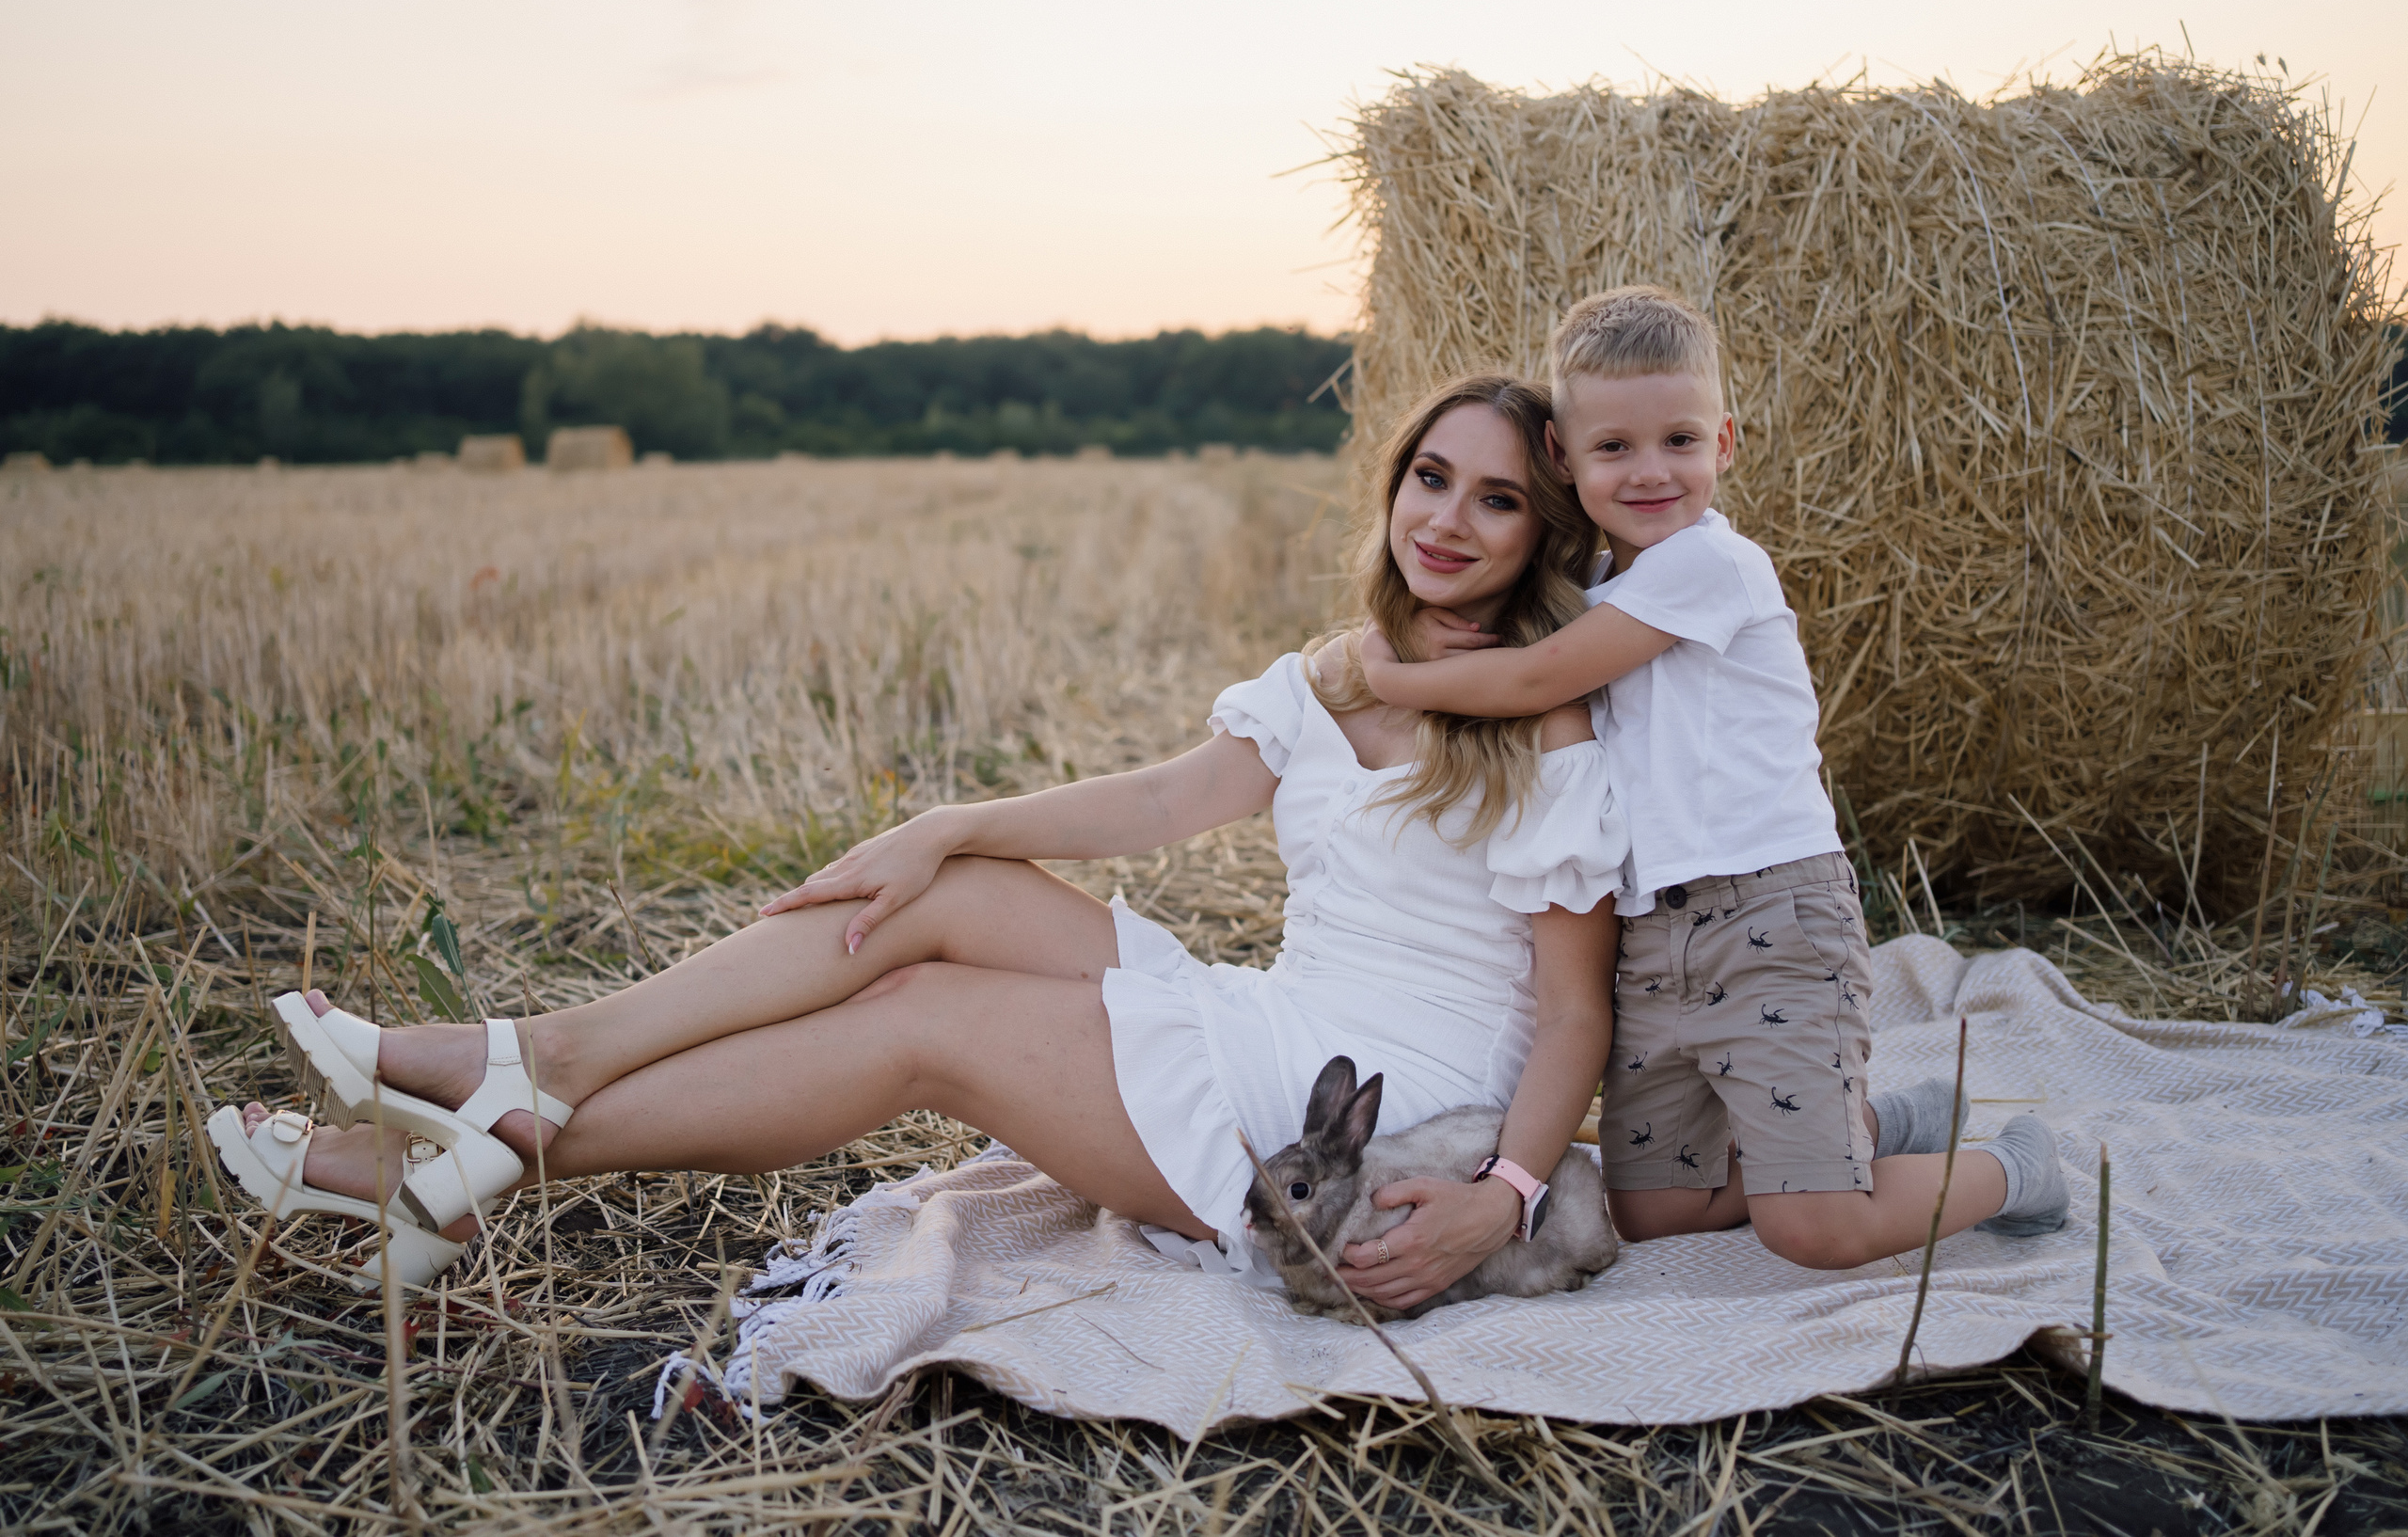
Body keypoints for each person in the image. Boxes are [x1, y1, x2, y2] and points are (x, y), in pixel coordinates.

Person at [210, 373, 1630, 1309]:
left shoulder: (1545, 725)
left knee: (924, 1021)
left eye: (1496, 497)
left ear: (1539, 529)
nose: (1447, 517)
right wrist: (942, 821)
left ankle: (470, 1148)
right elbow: (1155, 807)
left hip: (1376, 1103)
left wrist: (1498, 1199)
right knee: (943, 889)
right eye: (1430, 476)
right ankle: (549, 1055)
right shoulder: (1339, 671)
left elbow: (1576, 1010)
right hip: (1279, 1008)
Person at [1358, 287, 2068, 1270]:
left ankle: (2012, 1167)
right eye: (1613, 448)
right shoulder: (1600, 594)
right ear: (1563, 456)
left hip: (1770, 920)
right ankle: (1872, 1124)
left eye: (1679, 441)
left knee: (1812, 1230)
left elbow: (1533, 679)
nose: (1651, 472)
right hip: (1652, 940)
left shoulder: (1710, 566)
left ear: (1725, 443)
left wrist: (1387, 672)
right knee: (1652, 1209)